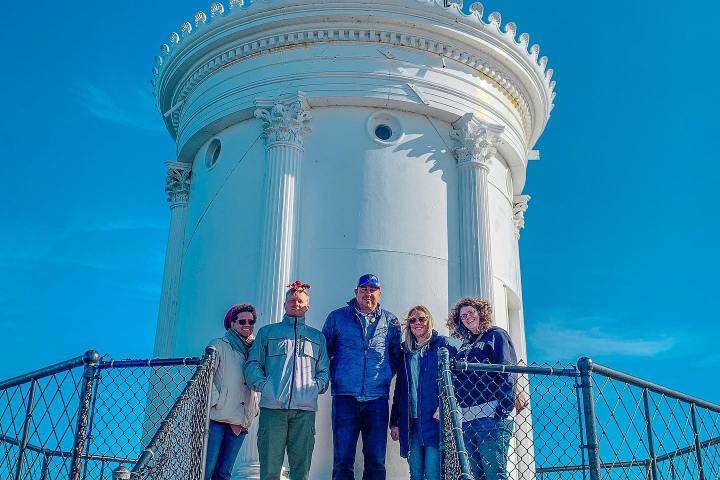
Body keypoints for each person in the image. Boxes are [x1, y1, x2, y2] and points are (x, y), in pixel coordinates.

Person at [244, 281, 330, 480]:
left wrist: (314, 388)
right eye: (291, 300)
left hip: (305, 412)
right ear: (284, 304)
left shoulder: (317, 338)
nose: (295, 304)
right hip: (272, 410)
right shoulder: (268, 332)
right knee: (270, 470)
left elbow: (324, 371)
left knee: (301, 471)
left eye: (300, 301)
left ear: (307, 306)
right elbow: (253, 364)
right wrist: (265, 387)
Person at [322, 273, 402, 480]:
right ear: (355, 292)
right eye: (363, 289)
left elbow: (395, 356)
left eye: (372, 289)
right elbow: (325, 352)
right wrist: (338, 376)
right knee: (342, 459)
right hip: (344, 397)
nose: (368, 293)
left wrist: (382, 376)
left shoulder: (391, 321)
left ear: (379, 293)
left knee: (376, 459)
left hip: (377, 398)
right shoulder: (337, 317)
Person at [446, 297, 518, 480]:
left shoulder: (496, 336)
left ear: (481, 313)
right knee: (475, 476)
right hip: (467, 418)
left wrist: (502, 409)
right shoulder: (465, 345)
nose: (468, 318)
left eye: (471, 312)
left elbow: (507, 371)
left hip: (491, 416)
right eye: (463, 316)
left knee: (494, 473)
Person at [389, 306, 450, 480]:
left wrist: (444, 405)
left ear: (429, 321)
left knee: (433, 473)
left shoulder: (441, 345)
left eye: (421, 319)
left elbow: (455, 379)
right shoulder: (405, 352)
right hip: (411, 423)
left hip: (434, 420)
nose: (417, 323)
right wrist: (395, 422)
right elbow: (400, 390)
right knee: (416, 474)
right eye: (412, 320)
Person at [205, 304, 259, 480]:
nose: (247, 324)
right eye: (242, 321)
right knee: (206, 470)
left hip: (240, 419)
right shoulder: (218, 345)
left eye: (251, 321)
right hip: (217, 417)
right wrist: (216, 401)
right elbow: (206, 376)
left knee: (224, 474)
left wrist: (253, 409)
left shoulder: (255, 350)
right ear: (232, 323)